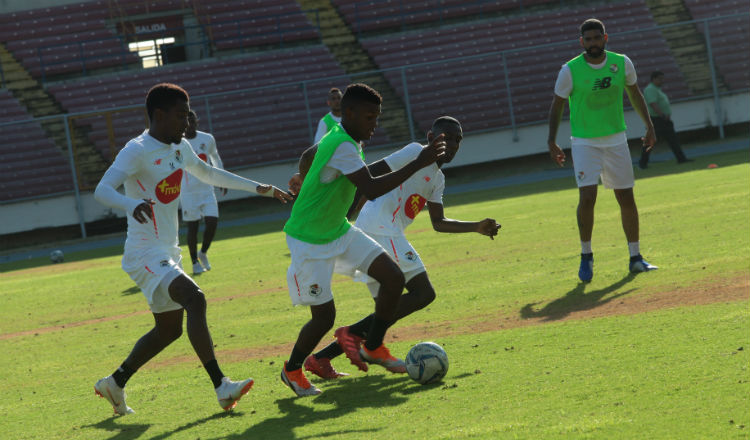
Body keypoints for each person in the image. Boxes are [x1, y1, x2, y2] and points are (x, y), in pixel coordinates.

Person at [92, 83, 293, 415]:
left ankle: (115, 382)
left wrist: (257, 187)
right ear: (159, 115)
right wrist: (130, 203)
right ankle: (221, 386)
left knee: (168, 330)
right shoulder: (137, 149)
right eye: (181, 115)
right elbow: (102, 189)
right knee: (195, 298)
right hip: (144, 253)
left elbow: (209, 173)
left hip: (167, 252)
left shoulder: (180, 146)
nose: (187, 123)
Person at [299, 116, 501, 380]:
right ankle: (358, 340)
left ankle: (321, 358)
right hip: (380, 229)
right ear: (431, 138)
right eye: (447, 137)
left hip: (381, 231)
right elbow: (370, 172)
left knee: (387, 312)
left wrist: (476, 226)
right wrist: (334, 196)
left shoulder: (437, 180)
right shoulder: (415, 151)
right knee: (423, 293)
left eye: (458, 140)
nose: (452, 144)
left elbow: (439, 222)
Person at [280, 83, 446, 396]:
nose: (375, 124)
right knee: (324, 317)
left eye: (377, 117)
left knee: (393, 277)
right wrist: (417, 163)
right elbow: (369, 189)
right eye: (370, 117)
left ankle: (372, 346)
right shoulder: (343, 144)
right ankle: (291, 370)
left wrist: (304, 176)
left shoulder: (345, 140)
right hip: (309, 239)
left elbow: (310, 156)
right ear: (350, 113)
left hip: (338, 230)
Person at [547, 18, 658, 283]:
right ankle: (586, 255)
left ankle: (635, 257)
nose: (593, 43)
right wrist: (552, 141)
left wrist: (650, 126)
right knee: (587, 197)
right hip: (585, 142)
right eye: (588, 39)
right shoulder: (570, 70)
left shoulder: (621, 63)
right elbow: (557, 105)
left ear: (605, 38)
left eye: (597, 38)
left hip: (616, 140)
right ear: (581, 42)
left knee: (626, 198)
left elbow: (635, 93)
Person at [180, 110, 226, 274]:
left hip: (207, 190)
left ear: (196, 122)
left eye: (191, 121)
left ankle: (203, 253)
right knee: (192, 228)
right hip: (188, 193)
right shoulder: (178, 142)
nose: (189, 125)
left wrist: (222, 178)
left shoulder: (207, 139)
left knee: (212, 223)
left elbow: (215, 158)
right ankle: (194, 262)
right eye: (186, 121)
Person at [638, 70, 691, 168]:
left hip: (662, 119)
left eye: (663, 79)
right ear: (654, 79)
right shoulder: (650, 89)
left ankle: (681, 158)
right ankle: (642, 163)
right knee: (650, 141)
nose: (662, 81)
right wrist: (662, 115)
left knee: (672, 140)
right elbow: (653, 104)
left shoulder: (656, 89)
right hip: (656, 120)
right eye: (660, 79)